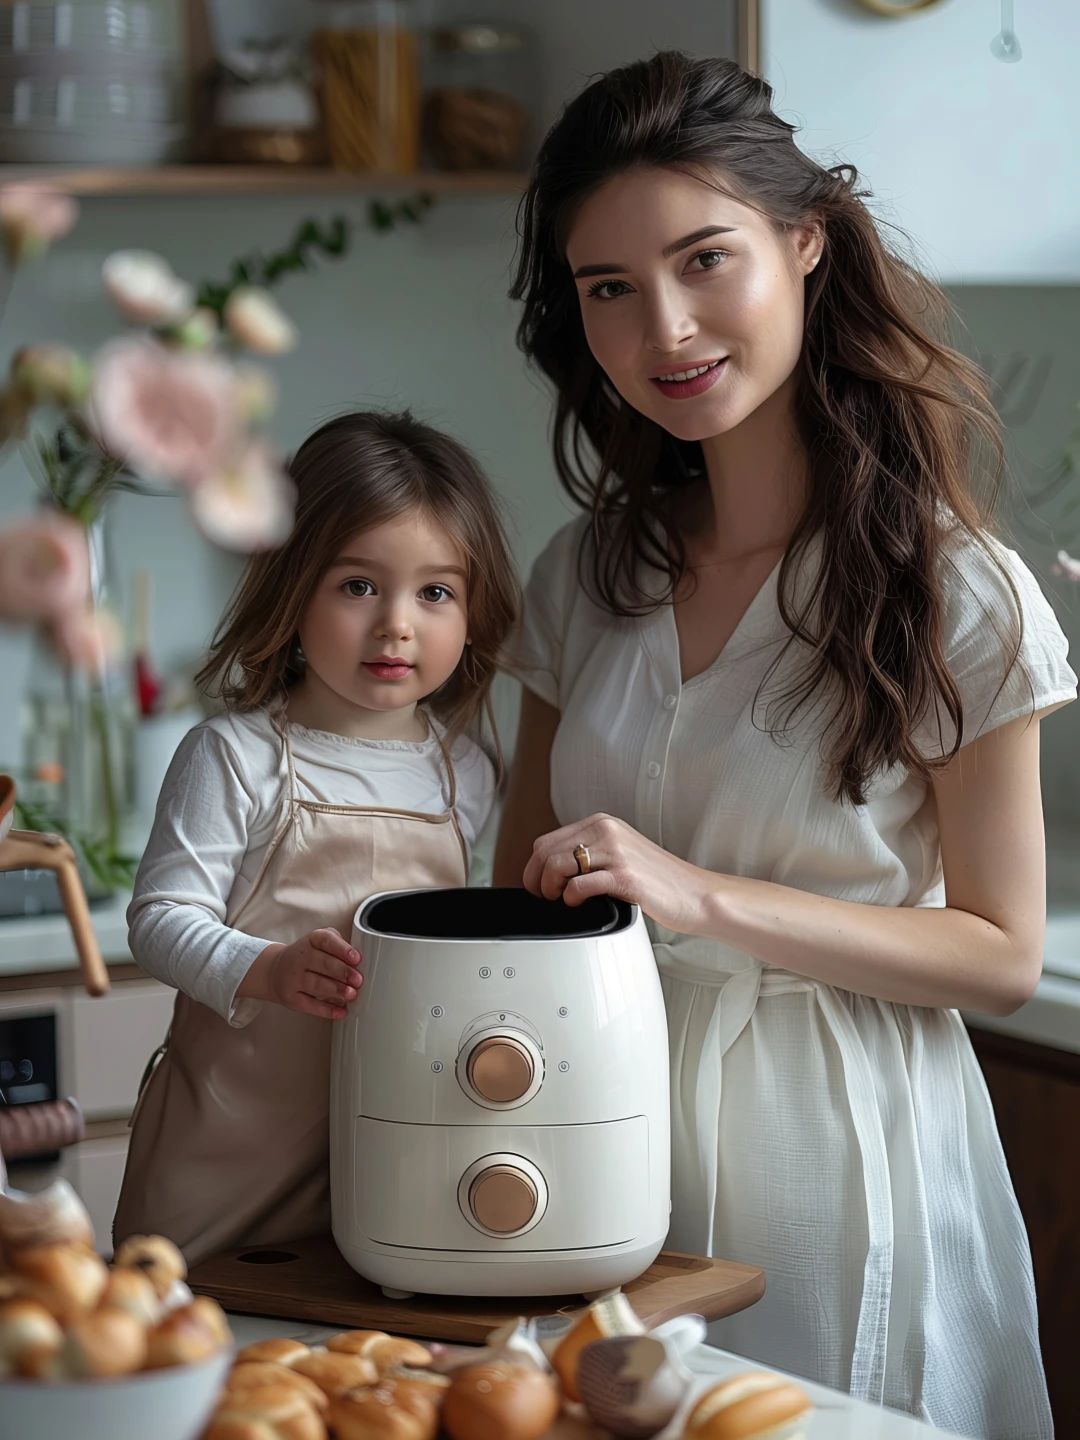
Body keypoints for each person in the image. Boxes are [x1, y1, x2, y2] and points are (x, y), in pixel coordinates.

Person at [495, 52, 1072, 1440]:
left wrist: (698, 897)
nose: (667, 328)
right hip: (603, 1135)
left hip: (843, 1152)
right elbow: (521, 883)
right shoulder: (586, 575)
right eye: (610, 290)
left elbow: (998, 951)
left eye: (707, 261)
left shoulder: (957, 589)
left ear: (804, 243)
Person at [115, 410, 520, 1267]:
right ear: (292, 585)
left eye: (435, 592)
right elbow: (158, 919)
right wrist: (267, 968)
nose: (397, 624)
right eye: (358, 585)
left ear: (475, 612)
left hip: (387, 1145)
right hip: (230, 1147)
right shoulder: (235, 754)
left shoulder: (468, 774)